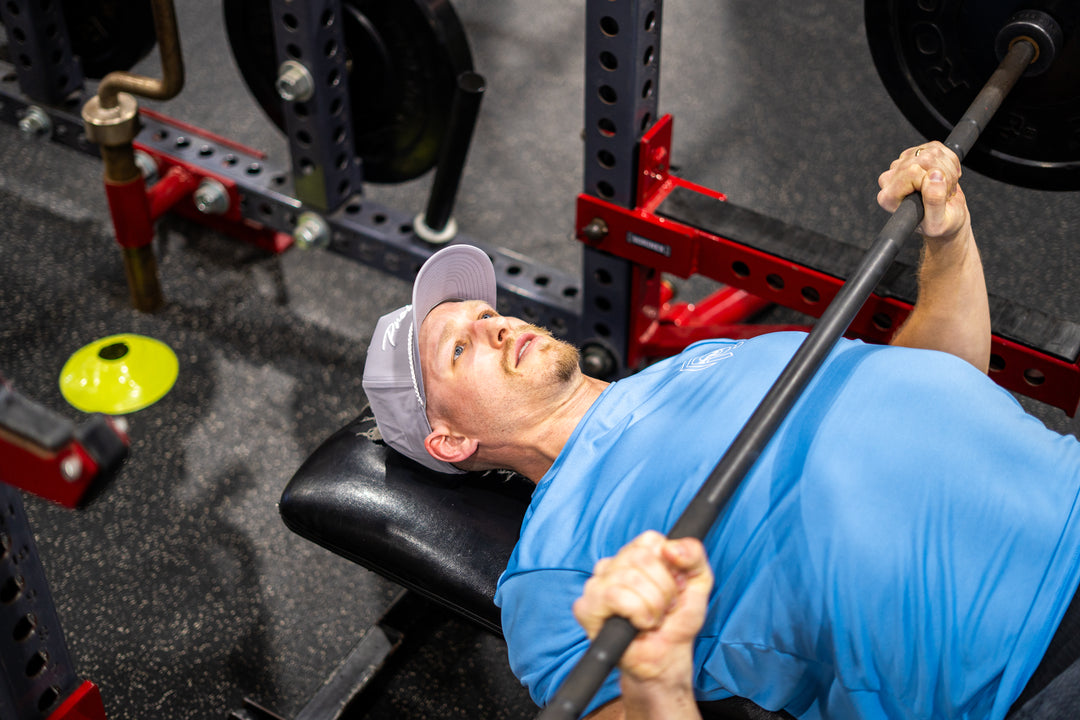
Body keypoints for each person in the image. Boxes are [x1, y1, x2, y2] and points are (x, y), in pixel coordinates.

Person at [360, 142, 1080, 720]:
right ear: (449, 438)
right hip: (1026, 669)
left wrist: (947, 242)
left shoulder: (700, 357)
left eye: (485, 315)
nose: (495, 325)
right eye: (459, 348)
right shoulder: (552, 576)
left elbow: (938, 380)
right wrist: (655, 682)